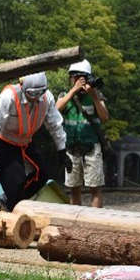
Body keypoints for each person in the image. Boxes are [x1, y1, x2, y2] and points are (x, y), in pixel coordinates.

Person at [0, 72, 70, 211]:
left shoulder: (47, 99)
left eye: (40, 93)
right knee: (17, 183)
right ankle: (13, 203)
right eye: (32, 94)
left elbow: (55, 125)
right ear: (22, 87)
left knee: (42, 174)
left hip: (26, 143)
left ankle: (10, 199)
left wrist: (62, 151)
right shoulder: (8, 97)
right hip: (5, 143)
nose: (36, 98)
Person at [56, 59, 109, 208]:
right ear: (71, 78)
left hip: (92, 147)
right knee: (74, 189)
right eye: (76, 77)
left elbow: (105, 117)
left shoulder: (96, 95)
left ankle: (95, 221)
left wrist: (94, 96)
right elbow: (55, 110)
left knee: (95, 188)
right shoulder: (65, 95)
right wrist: (73, 91)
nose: (79, 81)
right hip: (72, 147)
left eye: (82, 77)